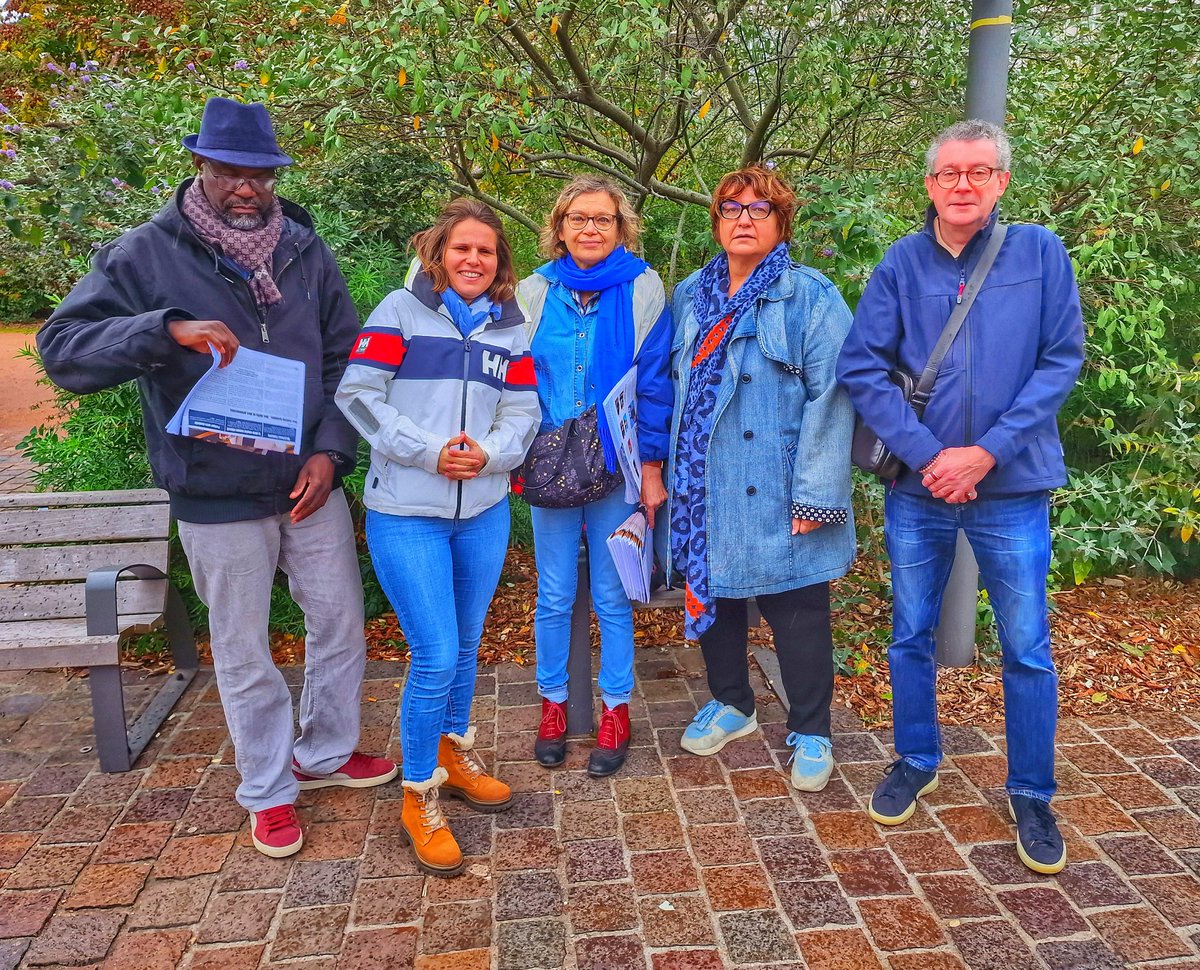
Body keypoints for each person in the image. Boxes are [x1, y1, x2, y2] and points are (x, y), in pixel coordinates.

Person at [37, 96, 397, 859]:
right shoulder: (145, 254)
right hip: (215, 492)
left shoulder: (305, 248)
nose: (246, 186)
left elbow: (345, 360)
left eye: (259, 172)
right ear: (199, 165)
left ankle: (326, 753)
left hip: (308, 483)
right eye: (230, 169)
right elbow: (63, 350)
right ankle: (268, 790)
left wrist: (332, 454)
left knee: (337, 623)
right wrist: (162, 329)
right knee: (242, 647)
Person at [836, 119, 1085, 874]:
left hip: (1012, 484)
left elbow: (1060, 359)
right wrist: (929, 455)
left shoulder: (1039, 252)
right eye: (950, 173)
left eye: (980, 172)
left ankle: (1032, 794)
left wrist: (985, 453)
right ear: (930, 184)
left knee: (1027, 646)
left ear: (1002, 181)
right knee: (909, 631)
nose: (964, 185)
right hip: (919, 489)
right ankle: (915, 759)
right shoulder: (901, 263)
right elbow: (864, 367)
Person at [336, 198, 539, 876]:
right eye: (462, 249)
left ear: (499, 262)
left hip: (482, 509)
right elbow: (360, 394)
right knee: (435, 652)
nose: (474, 260)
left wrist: (489, 454)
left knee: (468, 643)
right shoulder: (397, 312)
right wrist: (430, 452)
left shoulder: (513, 330)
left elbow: (523, 411)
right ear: (439, 254)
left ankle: (455, 753)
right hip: (408, 511)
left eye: (486, 251)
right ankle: (418, 795)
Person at [668, 164, 856, 793]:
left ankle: (812, 728)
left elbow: (834, 397)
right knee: (714, 595)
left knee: (797, 607)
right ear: (717, 220)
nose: (744, 218)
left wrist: (817, 496)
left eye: (759, 209)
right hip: (703, 482)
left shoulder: (810, 296)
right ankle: (733, 703)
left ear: (781, 223)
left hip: (777, 485)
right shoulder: (692, 293)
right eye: (731, 208)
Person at [518, 176, 673, 778]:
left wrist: (653, 467)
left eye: (603, 219)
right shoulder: (533, 292)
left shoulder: (642, 289)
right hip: (550, 463)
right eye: (578, 218)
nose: (590, 229)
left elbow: (655, 382)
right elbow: (513, 377)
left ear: (621, 227)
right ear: (559, 227)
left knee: (613, 593)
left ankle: (616, 708)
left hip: (616, 463)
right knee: (554, 594)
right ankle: (553, 705)